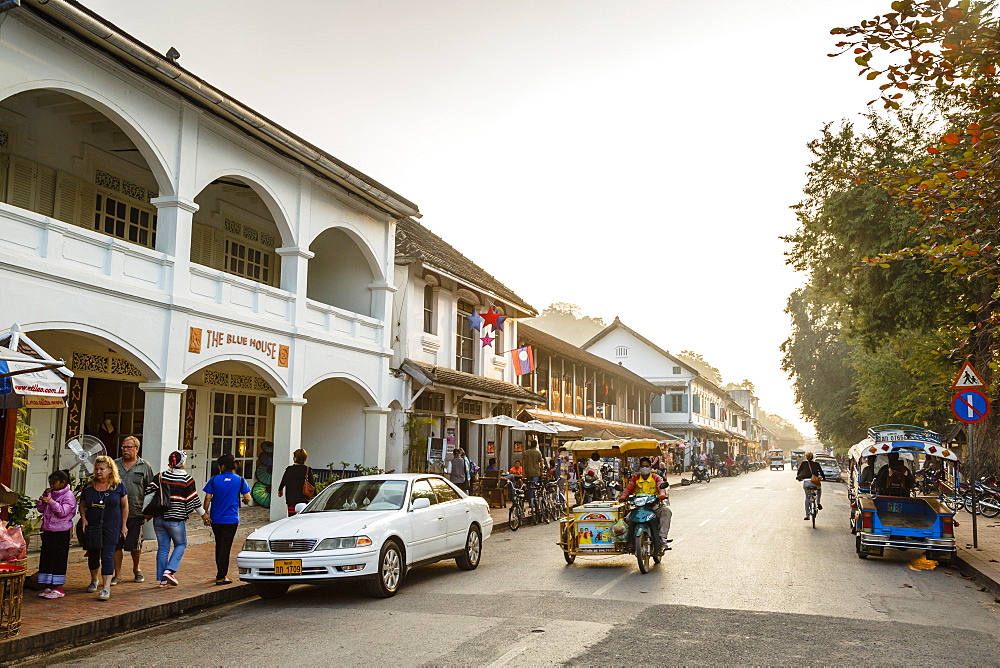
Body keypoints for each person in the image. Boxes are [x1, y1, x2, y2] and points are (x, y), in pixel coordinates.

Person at [144, 450, 209, 588]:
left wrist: (145, 513)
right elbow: (194, 500)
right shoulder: (187, 479)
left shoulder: (161, 476)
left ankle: (162, 580)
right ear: (181, 463)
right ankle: (170, 571)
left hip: (159, 518)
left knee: (163, 548)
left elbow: (149, 492)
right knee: (181, 544)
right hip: (175, 519)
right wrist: (204, 514)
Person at [80, 455, 128, 600]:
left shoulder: (118, 486)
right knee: (93, 554)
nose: (98, 472)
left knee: (108, 555)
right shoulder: (89, 487)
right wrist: (83, 519)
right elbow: (82, 505)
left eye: (102, 469)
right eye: (96, 469)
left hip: (112, 525)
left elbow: (125, 506)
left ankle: (106, 587)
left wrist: (124, 525)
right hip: (94, 525)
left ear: (109, 470)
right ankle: (94, 579)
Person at [203, 454, 252, 585]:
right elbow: (248, 498)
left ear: (222, 466)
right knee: (226, 546)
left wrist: (205, 513)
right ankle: (221, 575)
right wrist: (244, 500)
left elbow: (207, 497)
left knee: (219, 545)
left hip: (216, 518)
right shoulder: (240, 480)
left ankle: (220, 572)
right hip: (231, 519)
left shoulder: (214, 480)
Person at [113, 435, 154, 585]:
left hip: (136, 512)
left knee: (135, 544)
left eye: (129, 447)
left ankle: (137, 569)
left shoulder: (144, 466)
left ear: (136, 449)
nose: (125, 450)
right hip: (116, 513)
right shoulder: (115, 465)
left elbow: (151, 489)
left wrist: (149, 511)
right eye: (123, 447)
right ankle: (117, 574)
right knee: (117, 544)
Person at [35, 469, 77, 599]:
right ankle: (47, 585)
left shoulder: (69, 496)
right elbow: (40, 509)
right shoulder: (50, 493)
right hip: (48, 530)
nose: (51, 485)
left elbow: (63, 512)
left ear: (63, 482)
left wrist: (51, 502)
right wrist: (42, 499)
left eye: (54, 482)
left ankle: (58, 587)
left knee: (58, 558)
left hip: (61, 531)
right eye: (50, 482)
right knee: (47, 557)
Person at [619, 457, 672, 550]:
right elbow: (628, 489)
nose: (644, 468)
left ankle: (662, 538)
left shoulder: (656, 478)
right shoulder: (635, 479)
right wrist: (623, 497)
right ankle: (630, 542)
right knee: (626, 519)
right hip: (638, 508)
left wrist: (662, 494)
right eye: (643, 466)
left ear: (650, 467)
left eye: (647, 466)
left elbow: (661, 487)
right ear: (640, 467)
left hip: (653, 507)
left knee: (666, 512)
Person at [277, 448, 315, 516]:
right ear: (305, 459)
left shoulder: (289, 469)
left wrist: (280, 490)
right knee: (303, 516)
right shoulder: (307, 470)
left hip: (291, 498)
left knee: (291, 516)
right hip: (304, 498)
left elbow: (284, 481)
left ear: (295, 458)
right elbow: (312, 485)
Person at [796, 451, 826, 520]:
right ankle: (818, 501)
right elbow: (821, 472)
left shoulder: (804, 463)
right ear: (813, 457)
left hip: (806, 482)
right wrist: (823, 478)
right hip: (815, 482)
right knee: (819, 489)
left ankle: (807, 515)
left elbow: (799, 472)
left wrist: (799, 478)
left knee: (807, 497)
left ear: (806, 457)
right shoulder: (816, 464)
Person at [522, 441, 544, 505]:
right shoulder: (538, 452)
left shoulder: (526, 452)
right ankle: (534, 501)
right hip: (536, 472)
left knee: (529, 487)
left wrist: (523, 471)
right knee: (534, 486)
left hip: (528, 472)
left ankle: (530, 502)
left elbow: (523, 462)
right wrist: (542, 471)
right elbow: (541, 463)